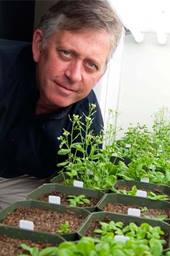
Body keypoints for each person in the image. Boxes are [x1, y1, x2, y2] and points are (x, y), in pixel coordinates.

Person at [0, 0, 122, 209]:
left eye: (91, 65)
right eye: (66, 53)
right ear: (39, 45)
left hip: (18, 182)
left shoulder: (86, 120)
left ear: (100, 74)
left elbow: (73, 194)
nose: (74, 75)